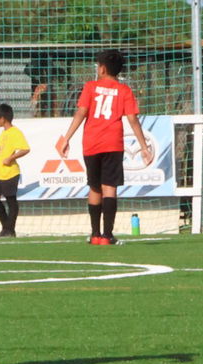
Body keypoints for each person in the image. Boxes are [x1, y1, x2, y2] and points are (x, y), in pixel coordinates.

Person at [55, 49, 153, 245]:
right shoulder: (124, 90)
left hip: (91, 143)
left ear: (102, 69)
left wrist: (67, 137)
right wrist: (143, 146)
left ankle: (95, 234)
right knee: (110, 187)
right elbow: (133, 119)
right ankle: (108, 235)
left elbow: (81, 113)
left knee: (94, 187)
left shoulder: (90, 87)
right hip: (113, 143)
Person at [0, 103, 30, 238]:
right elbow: (2, 150)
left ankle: (9, 230)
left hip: (10, 172)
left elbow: (25, 149)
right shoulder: (3, 133)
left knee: (11, 201)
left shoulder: (15, 132)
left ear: (2, 118)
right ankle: (7, 228)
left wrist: (11, 158)